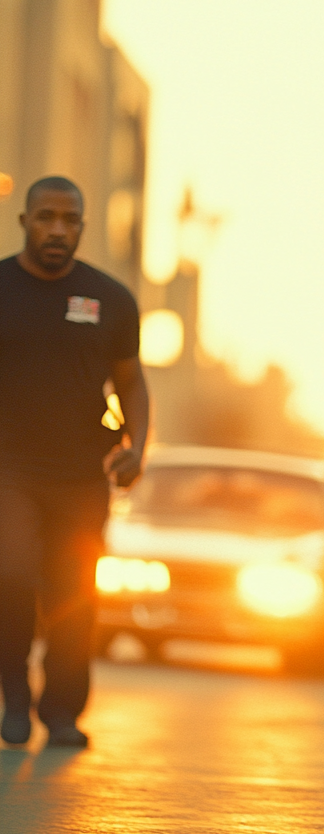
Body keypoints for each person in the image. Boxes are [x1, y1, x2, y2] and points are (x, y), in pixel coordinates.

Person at [0, 176, 149, 748]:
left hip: (83, 474)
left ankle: (61, 712)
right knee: (10, 577)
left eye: (69, 220)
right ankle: (12, 693)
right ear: (25, 222)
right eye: (46, 217)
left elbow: (132, 383)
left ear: (83, 227)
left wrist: (137, 445)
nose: (57, 229)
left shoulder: (111, 300)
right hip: (9, 470)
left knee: (73, 594)